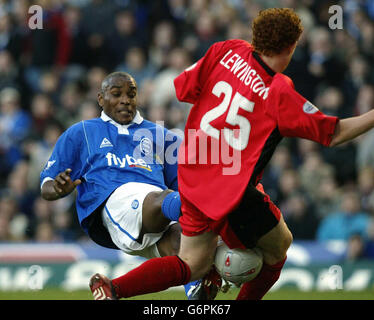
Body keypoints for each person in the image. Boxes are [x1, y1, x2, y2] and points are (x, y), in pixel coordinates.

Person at [89, 8, 374, 300]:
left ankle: (113, 289)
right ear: (290, 48)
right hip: (230, 190)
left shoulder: (227, 50)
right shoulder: (279, 91)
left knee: (191, 264)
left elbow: (182, 87)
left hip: (193, 172)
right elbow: (335, 132)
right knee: (278, 249)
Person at [40, 71, 217, 299]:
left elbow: (186, 184)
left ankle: (116, 290)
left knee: (185, 250)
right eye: (116, 94)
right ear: (101, 99)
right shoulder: (82, 132)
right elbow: (46, 185)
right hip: (114, 204)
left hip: (154, 217)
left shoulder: (162, 136)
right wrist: (57, 188)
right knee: (169, 199)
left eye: (131, 94)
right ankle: (223, 213)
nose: (125, 99)